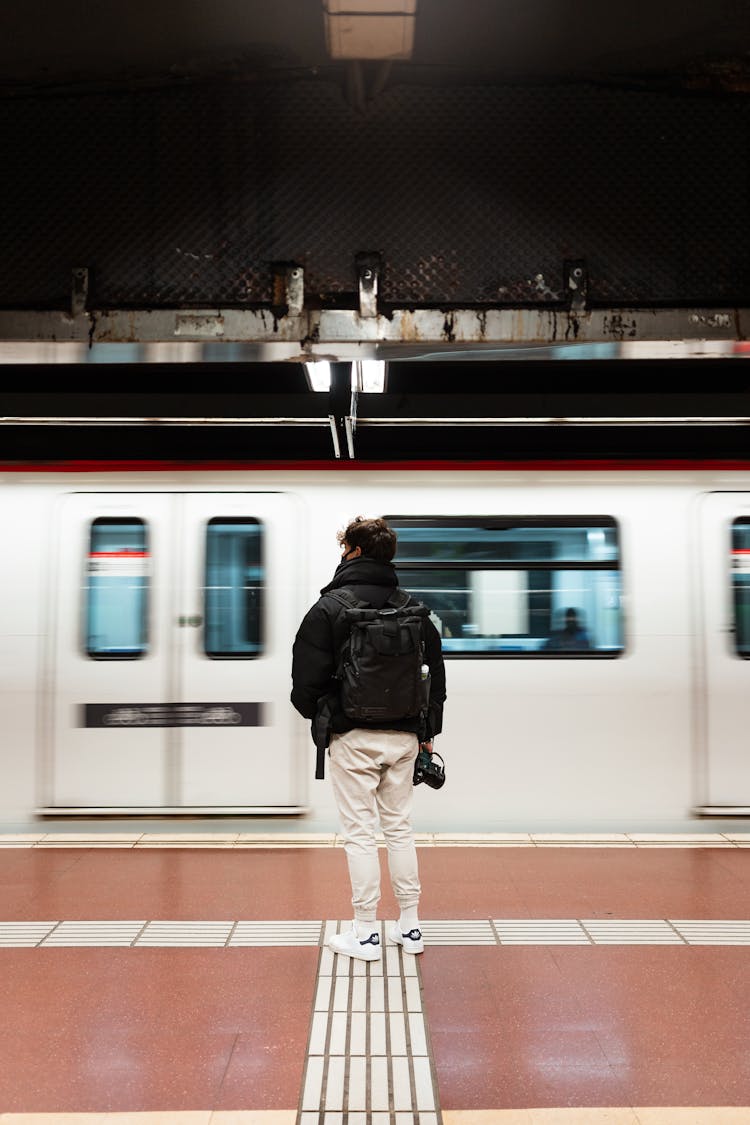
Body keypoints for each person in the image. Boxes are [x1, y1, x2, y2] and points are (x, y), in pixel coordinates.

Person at [291, 516, 446, 961]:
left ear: (353, 552)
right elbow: (435, 678)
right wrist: (426, 733)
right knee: (399, 830)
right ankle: (411, 927)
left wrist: (327, 718)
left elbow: (305, 681)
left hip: (352, 736)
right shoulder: (414, 609)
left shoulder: (329, 607)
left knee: (360, 834)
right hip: (403, 737)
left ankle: (364, 933)